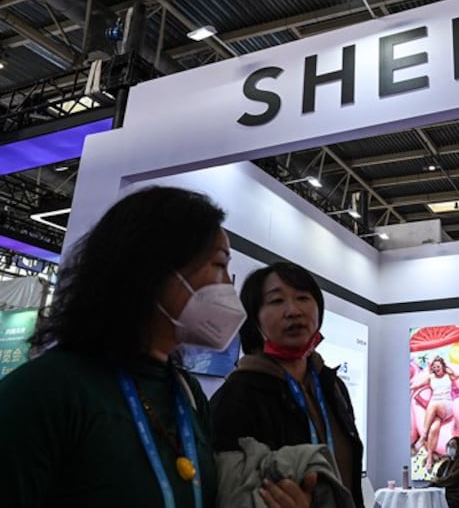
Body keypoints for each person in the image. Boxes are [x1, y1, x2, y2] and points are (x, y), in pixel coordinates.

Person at [0, 186, 312, 508]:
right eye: (219, 265)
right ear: (154, 266)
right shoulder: (43, 392)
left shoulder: (185, 392)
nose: (227, 285)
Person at [211, 261, 365, 508]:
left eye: (303, 297)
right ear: (254, 318)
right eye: (276, 301)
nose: (293, 310)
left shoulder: (332, 386)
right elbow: (232, 492)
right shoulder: (238, 395)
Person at [411, 355, 459, 472]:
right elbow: (418, 385)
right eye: (434, 367)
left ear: (442, 367)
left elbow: (458, 375)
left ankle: (423, 436)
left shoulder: (448, 376)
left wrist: (447, 368)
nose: (436, 368)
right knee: (434, 428)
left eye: (438, 366)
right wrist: (409, 388)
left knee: (433, 404)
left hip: (446, 407)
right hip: (436, 410)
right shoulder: (431, 377)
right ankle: (429, 458)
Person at [430, 436, 459, 508]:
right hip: (441, 497)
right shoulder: (445, 464)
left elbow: (452, 479)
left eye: (453, 446)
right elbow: (438, 477)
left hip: (456, 500)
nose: (450, 448)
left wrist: (437, 481)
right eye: (448, 445)